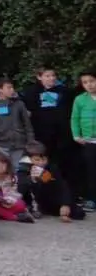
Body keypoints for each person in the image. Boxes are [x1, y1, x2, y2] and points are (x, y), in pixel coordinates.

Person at [17, 141, 85, 221]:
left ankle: (61, 211)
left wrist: (65, 204)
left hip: (50, 199)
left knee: (79, 213)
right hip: (33, 201)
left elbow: (62, 185)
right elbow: (20, 190)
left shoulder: (52, 168)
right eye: (37, 160)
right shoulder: (23, 170)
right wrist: (31, 179)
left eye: (44, 159)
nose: (41, 163)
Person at [0, 77, 34, 170]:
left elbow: (27, 124)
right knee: (3, 169)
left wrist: (30, 141)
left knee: (19, 169)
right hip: (1, 144)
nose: (12, 90)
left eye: (12, 87)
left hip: (19, 143)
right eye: (8, 88)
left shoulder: (19, 103)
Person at [0, 150, 34, 223]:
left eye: (3, 163)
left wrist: (7, 200)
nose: (0, 166)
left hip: (7, 202)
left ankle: (2, 214)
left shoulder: (12, 177)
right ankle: (15, 217)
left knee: (21, 204)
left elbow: (13, 192)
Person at [70, 69, 96, 211]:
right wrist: (76, 135)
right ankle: (92, 200)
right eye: (85, 82)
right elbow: (74, 118)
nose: (89, 85)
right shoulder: (80, 99)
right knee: (90, 171)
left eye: (92, 81)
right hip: (88, 141)